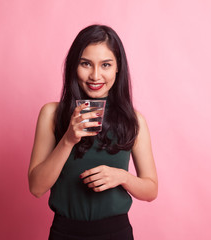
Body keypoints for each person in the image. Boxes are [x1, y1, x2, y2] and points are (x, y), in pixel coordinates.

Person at [28, 24, 158, 240]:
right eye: (86, 64)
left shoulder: (134, 121)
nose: (95, 76)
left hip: (116, 233)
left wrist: (122, 177)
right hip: (65, 232)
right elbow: (36, 188)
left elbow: (151, 190)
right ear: (73, 66)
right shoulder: (52, 114)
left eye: (106, 65)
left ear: (118, 68)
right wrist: (68, 140)